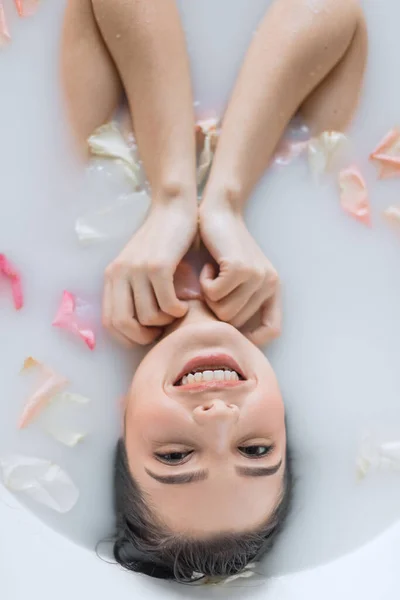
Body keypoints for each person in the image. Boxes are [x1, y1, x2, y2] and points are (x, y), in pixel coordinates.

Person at [61, 0, 367, 582]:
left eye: (175, 456)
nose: (219, 417)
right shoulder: (312, 200)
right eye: (256, 451)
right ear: (283, 420)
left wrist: (172, 197)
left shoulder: (85, 193)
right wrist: (226, 200)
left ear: (123, 423)